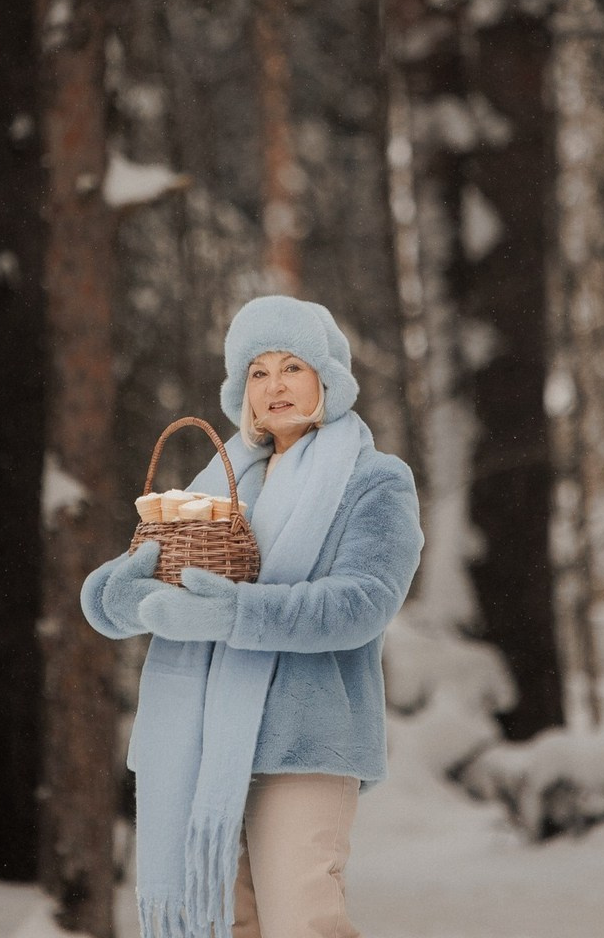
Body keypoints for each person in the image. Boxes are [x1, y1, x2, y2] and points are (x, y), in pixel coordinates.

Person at [81, 295, 423, 938]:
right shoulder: (220, 483)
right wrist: (116, 598)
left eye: (292, 367)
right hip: (201, 744)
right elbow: (146, 571)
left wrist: (234, 615)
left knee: (302, 922)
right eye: (258, 371)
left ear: (328, 377)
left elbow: (364, 602)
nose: (275, 386)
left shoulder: (373, 480)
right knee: (224, 926)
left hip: (303, 742)